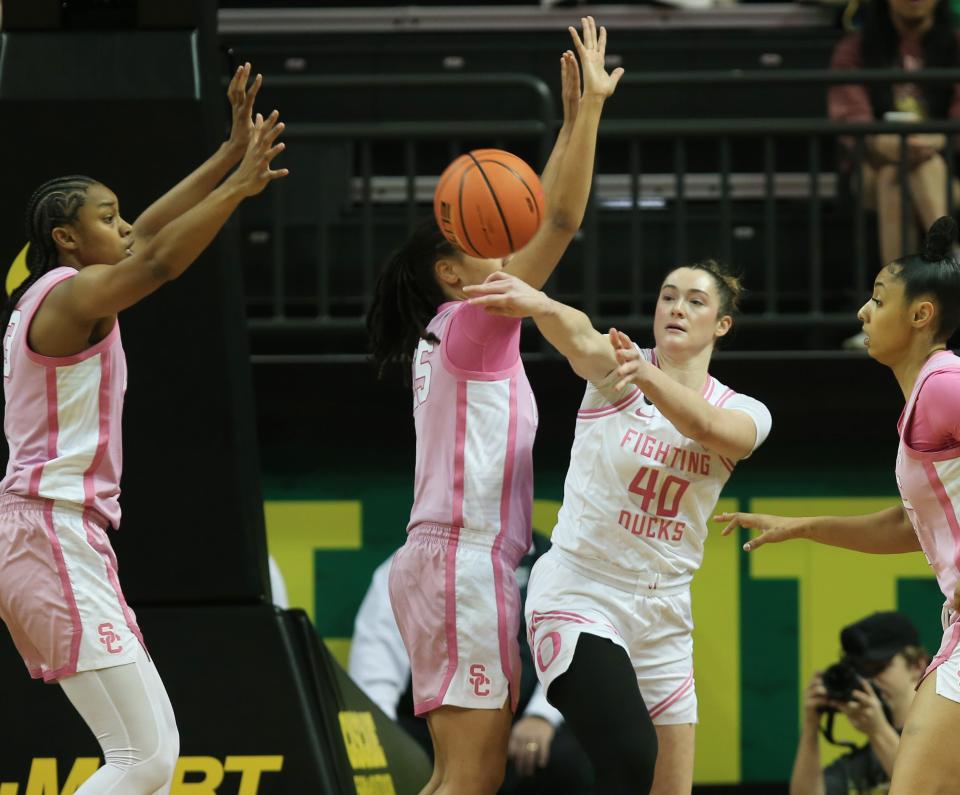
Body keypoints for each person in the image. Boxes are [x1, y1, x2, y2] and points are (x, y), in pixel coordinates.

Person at [0, 64, 287, 794]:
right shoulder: (69, 296)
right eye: (108, 217)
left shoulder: (67, 289)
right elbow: (158, 256)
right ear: (67, 237)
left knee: (153, 761)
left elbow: (152, 230)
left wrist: (228, 154)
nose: (125, 226)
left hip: (63, 534)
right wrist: (238, 188)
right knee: (145, 760)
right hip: (49, 529)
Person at [365, 17, 622, 795]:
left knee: (454, 773)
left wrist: (577, 122)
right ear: (452, 269)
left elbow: (542, 217)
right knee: (471, 778)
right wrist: (589, 116)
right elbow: (560, 220)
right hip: (462, 561)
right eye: (486, 241)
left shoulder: (457, 330)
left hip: (450, 561)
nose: (507, 252)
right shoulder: (478, 324)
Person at [463, 259, 772, 794]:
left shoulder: (744, 408)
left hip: (665, 610)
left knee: (669, 787)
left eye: (696, 301)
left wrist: (646, 374)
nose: (677, 307)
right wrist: (539, 303)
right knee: (632, 757)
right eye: (668, 295)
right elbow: (579, 335)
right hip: (583, 590)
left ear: (722, 324)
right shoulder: (616, 369)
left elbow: (711, 429)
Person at [717, 216, 960, 794]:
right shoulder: (924, 397)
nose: (862, 313)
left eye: (878, 300)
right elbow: (907, 526)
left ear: (921, 314)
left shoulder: (944, 383)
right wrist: (802, 526)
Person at [348, 538, 594, 795]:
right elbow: (376, 666)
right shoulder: (413, 563)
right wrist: (387, 738)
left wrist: (542, 715)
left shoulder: (551, 565)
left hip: (517, 730)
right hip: (427, 731)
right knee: (376, 755)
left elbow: (573, 648)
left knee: (566, 756)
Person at [829, 0, 960, 346]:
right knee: (893, 171)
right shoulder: (855, 47)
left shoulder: (956, 43)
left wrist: (937, 137)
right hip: (873, 167)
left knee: (908, 172)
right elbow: (849, 117)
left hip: (947, 169)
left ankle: (892, 315)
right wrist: (884, 141)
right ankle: (955, 269)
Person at [790, 611, 929, 795]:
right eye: (861, 672)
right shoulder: (863, 762)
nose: (869, 681)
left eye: (878, 669)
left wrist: (878, 731)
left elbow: (926, 788)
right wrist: (810, 726)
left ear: (917, 665)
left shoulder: (942, 735)